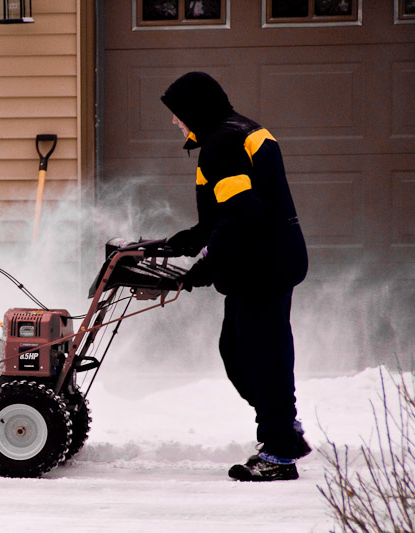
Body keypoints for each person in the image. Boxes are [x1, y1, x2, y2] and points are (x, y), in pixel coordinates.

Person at [160, 72, 311, 481]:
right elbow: (223, 216)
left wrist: (205, 267)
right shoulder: (242, 131)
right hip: (268, 261)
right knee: (242, 353)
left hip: (261, 266)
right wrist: (177, 244)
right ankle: (284, 432)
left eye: (177, 114)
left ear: (194, 109)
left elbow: (242, 214)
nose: (175, 122)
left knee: (260, 358)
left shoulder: (220, 145)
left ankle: (279, 449)